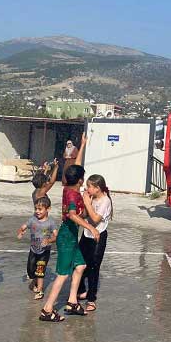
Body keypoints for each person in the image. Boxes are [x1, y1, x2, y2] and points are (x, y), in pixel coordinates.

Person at [40, 133, 98, 322]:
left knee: (80, 266)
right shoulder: (73, 195)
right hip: (66, 236)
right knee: (63, 274)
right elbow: (73, 215)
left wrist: (82, 145)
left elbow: (76, 166)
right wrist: (91, 227)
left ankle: (72, 302)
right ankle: (47, 309)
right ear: (80, 180)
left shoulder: (69, 186)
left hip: (72, 236)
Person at [78, 174, 113, 312]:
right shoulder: (92, 197)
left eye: (89, 187)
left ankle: (91, 299)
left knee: (93, 267)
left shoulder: (105, 201)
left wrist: (86, 201)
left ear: (97, 188)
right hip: (86, 234)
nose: (87, 189)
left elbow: (96, 218)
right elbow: (87, 214)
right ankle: (81, 290)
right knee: (79, 263)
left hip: (98, 237)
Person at [18, 196, 58, 300]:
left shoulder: (51, 222)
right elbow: (24, 226)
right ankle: (34, 279)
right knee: (31, 270)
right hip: (33, 250)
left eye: (40, 209)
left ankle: (40, 290)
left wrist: (49, 241)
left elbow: (56, 236)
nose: (37, 211)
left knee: (40, 271)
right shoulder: (33, 219)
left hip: (44, 252)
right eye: (36, 209)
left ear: (48, 209)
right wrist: (21, 231)